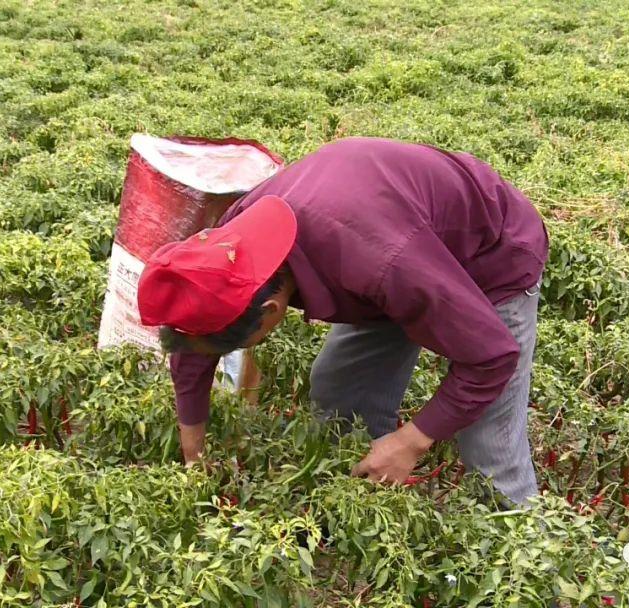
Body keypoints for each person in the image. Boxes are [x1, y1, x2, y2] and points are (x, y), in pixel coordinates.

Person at [137, 137, 548, 506]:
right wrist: (194, 456)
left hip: (490, 255)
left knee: (488, 446)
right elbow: (196, 333)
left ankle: (531, 572)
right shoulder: (232, 243)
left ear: (270, 313)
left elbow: (492, 357)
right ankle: (363, 510)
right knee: (341, 396)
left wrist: (412, 440)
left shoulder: (378, 260)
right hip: (398, 251)